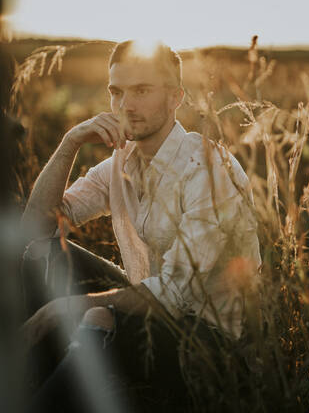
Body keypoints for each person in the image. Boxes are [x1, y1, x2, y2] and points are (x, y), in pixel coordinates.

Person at [20, 40, 261, 412]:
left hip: (213, 344)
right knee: (46, 254)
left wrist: (68, 307)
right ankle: (35, 372)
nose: (125, 106)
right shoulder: (121, 165)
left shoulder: (208, 170)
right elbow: (37, 227)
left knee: (100, 315)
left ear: (175, 97)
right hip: (153, 308)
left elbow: (174, 296)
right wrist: (70, 143)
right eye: (116, 92)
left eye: (142, 91)